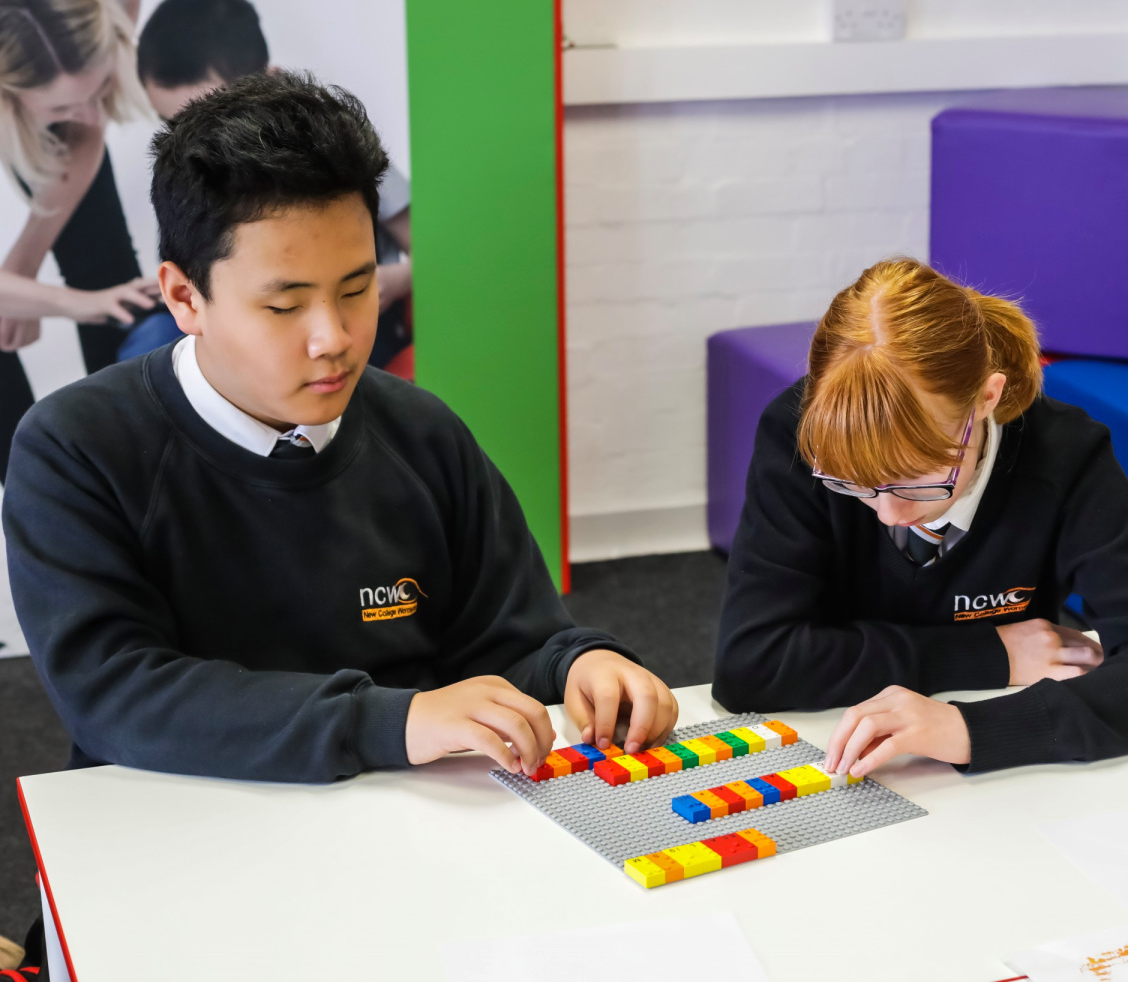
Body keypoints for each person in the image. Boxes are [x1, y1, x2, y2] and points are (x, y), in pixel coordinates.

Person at [4, 71, 678, 790]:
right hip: (177, 828)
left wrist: (581, 663)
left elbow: (511, 638)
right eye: (285, 306)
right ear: (183, 296)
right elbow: (118, 696)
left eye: (357, 289)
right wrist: (391, 720)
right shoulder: (75, 447)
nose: (335, 338)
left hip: (405, 824)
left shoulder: (420, 431)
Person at [712, 258, 1128, 779]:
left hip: (1003, 781)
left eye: (918, 478)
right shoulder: (797, 436)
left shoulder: (1065, 455)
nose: (890, 512)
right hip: (827, 743)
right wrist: (988, 654)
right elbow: (751, 663)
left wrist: (970, 729)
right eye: (853, 483)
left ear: (986, 398)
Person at [129, 0, 413, 369]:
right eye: (172, 123)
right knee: (152, 343)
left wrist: (391, 280)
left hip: (332, 322)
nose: (191, 138)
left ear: (272, 83)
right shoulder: (188, 174)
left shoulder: (334, 149)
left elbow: (432, 251)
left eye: (214, 115)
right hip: (232, 322)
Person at [0, 0, 161, 480]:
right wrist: (82, 306)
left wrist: (23, 269)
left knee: (106, 267)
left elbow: (87, 131)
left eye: (98, 90)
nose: (94, 115)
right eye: (68, 104)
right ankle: (34, 487)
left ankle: (132, 464)